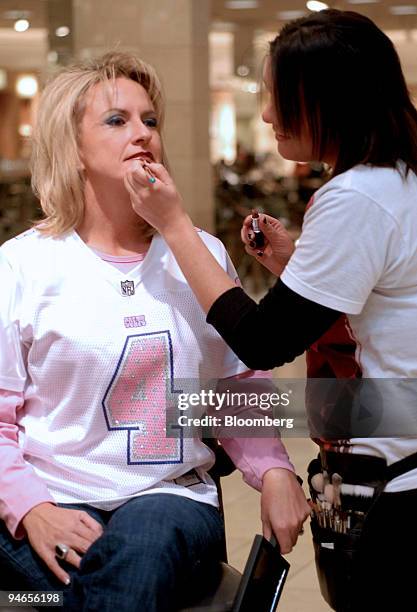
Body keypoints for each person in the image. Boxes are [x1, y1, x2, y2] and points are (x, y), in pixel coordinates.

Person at [125, 9, 417, 612]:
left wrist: (175, 226)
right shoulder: (397, 179)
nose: (264, 114)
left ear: (325, 100)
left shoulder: (358, 195)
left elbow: (259, 346)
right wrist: (297, 268)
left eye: (275, 95)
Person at [0, 52, 310, 612]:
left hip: (172, 501)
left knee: (142, 541)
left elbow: (236, 387)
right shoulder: (22, 266)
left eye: (150, 120)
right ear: (71, 147)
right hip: (55, 498)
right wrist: (32, 509)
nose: (142, 133)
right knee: (102, 577)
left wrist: (276, 473)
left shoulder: (199, 253)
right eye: (117, 120)